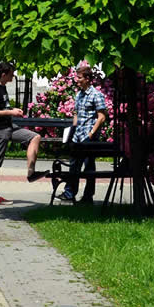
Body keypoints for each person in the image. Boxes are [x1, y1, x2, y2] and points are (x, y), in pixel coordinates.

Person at [0, 61, 40, 205]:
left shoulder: (2, 88)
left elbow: (2, 107)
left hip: (9, 127)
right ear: (4, 74)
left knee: (34, 137)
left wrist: (13, 110)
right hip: (0, 131)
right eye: (11, 74)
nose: (13, 76)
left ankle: (31, 172)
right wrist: (11, 111)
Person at [59, 65, 107, 204]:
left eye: (79, 78)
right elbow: (76, 113)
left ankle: (88, 197)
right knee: (74, 166)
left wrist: (91, 134)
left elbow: (101, 117)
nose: (76, 80)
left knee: (89, 168)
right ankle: (69, 194)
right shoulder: (79, 94)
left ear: (87, 79)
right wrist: (73, 131)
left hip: (88, 137)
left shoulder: (96, 95)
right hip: (77, 136)